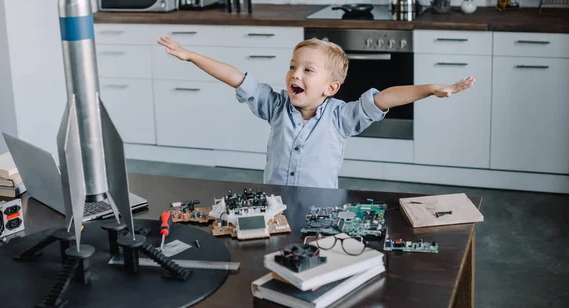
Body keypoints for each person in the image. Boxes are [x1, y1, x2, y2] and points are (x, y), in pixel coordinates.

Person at [157, 36, 475, 189]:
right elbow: (236, 77)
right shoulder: (276, 105)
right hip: (275, 201)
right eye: (293, 67)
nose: (296, 74)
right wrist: (191, 56)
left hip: (320, 206)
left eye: (308, 70)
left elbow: (385, 98)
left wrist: (431, 88)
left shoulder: (341, 118)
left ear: (330, 88)